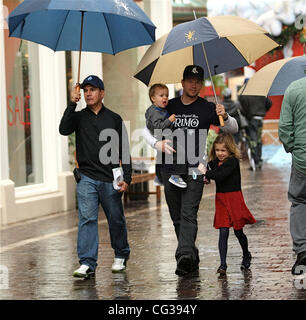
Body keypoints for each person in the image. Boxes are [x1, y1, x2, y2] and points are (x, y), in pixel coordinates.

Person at [143, 65, 238, 276]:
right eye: (190, 80)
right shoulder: (169, 104)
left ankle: (183, 255)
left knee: (188, 213)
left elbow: (232, 129)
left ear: (201, 84)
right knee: (176, 215)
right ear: (183, 82)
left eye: (198, 81)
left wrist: (226, 116)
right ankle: (190, 255)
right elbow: (147, 128)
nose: (194, 85)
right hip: (169, 168)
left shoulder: (207, 107)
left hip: (196, 168)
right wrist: (155, 144)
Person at [59, 75, 132, 278]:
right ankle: (87, 262)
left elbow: (124, 150)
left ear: (102, 93)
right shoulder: (79, 116)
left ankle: (120, 254)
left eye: (92, 90)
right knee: (87, 219)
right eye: (85, 90)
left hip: (111, 179)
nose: (88, 93)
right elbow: (63, 129)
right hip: (87, 178)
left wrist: (127, 177)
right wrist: (71, 104)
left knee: (116, 219)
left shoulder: (114, 118)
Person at [198, 133, 256, 274]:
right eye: (217, 150)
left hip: (234, 198)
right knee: (223, 231)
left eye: (223, 150)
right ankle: (223, 265)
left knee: (238, 231)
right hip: (221, 199)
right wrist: (203, 165)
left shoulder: (232, 162)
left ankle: (246, 254)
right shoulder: (215, 162)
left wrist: (206, 172)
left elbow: (220, 176)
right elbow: (208, 166)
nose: (220, 153)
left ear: (230, 150)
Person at [278, 77, 306, 275]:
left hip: (303, 159)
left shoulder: (294, 88)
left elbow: (285, 128)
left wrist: (293, 150)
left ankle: (303, 251)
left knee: (299, 201)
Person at [145, 83, 187, 188]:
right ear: (153, 98)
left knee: (161, 157)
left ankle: (158, 177)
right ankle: (176, 175)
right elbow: (157, 127)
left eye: (167, 95)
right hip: (164, 137)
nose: (165, 98)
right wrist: (170, 120)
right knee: (180, 152)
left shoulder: (159, 109)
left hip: (164, 137)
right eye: (161, 95)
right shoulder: (154, 112)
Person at [238, 94, 272, 170]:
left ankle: (255, 161)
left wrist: (248, 115)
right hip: (260, 118)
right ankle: (259, 160)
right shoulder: (261, 93)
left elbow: (241, 108)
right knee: (258, 139)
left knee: (253, 140)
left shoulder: (245, 94)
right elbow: (270, 103)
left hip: (251, 119)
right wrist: (263, 110)